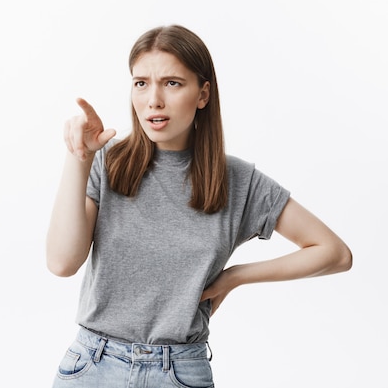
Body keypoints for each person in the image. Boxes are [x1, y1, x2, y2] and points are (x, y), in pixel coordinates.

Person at [45, 24, 352, 388]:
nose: (153, 100)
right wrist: (79, 159)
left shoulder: (239, 181)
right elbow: (62, 263)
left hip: (179, 372)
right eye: (141, 83)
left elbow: (334, 253)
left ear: (203, 94)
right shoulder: (108, 162)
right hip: (93, 366)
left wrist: (235, 277)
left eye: (172, 83)